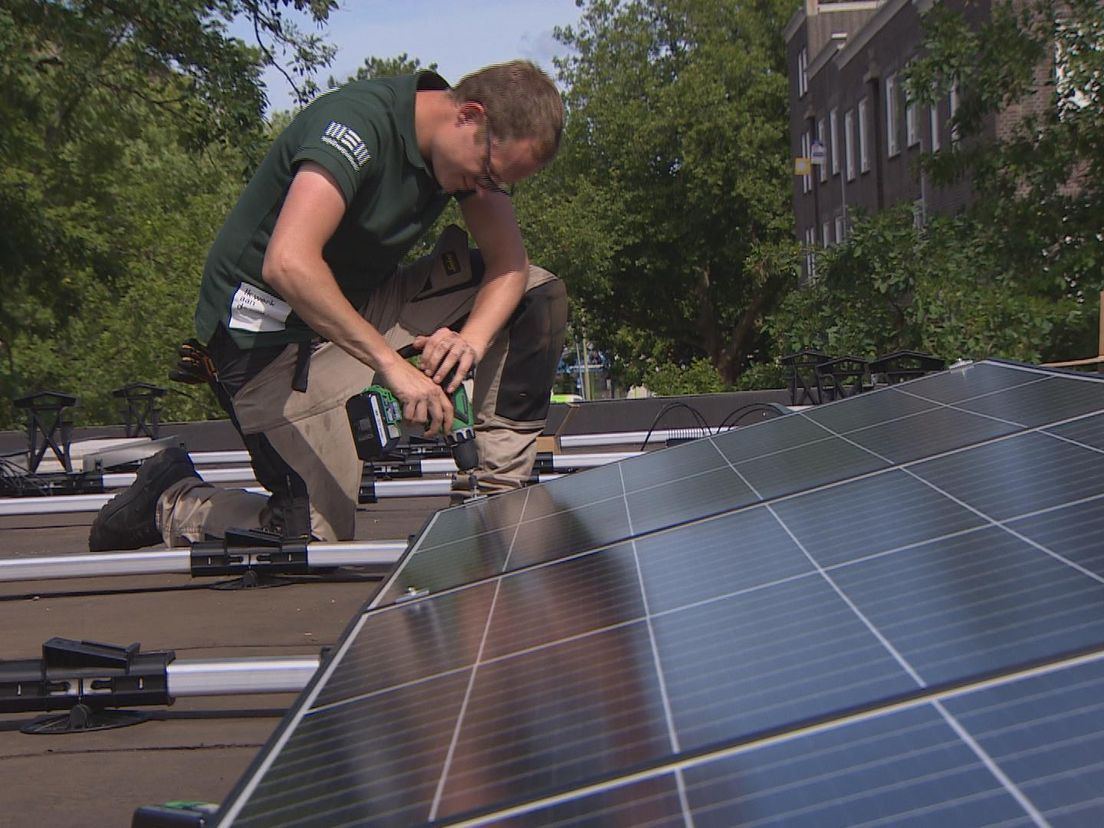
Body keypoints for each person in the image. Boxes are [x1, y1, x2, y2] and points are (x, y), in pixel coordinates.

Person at [89, 61, 567, 552]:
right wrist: (391, 366)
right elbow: (288, 263)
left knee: (534, 295)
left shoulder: (463, 159)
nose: (483, 191)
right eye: (487, 173)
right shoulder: (356, 127)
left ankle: (490, 507)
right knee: (309, 537)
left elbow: (509, 263)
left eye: (500, 185)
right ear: (468, 114)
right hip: (264, 349)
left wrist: (469, 341)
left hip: (360, 309)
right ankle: (171, 499)